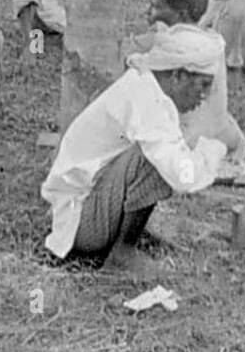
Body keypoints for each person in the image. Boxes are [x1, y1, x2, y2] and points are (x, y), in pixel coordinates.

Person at [41, 24, 229, 273]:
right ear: (178, 76)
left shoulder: (147, 86)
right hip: (79, 223)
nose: (204, 96)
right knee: (151, 159)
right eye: (202, 86)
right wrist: (212, 151)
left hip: (84, 207)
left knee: (158, 154)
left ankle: (128, 237)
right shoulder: (146, 98)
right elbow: (183, 176)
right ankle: (123, 253)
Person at [131, 0, 245, 171]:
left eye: (156, 7)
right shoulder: (211, 39)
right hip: (224, 133)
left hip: (189, 135)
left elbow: (132, 63)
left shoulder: (172, 42)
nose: (148, 12)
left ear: (180, 14)